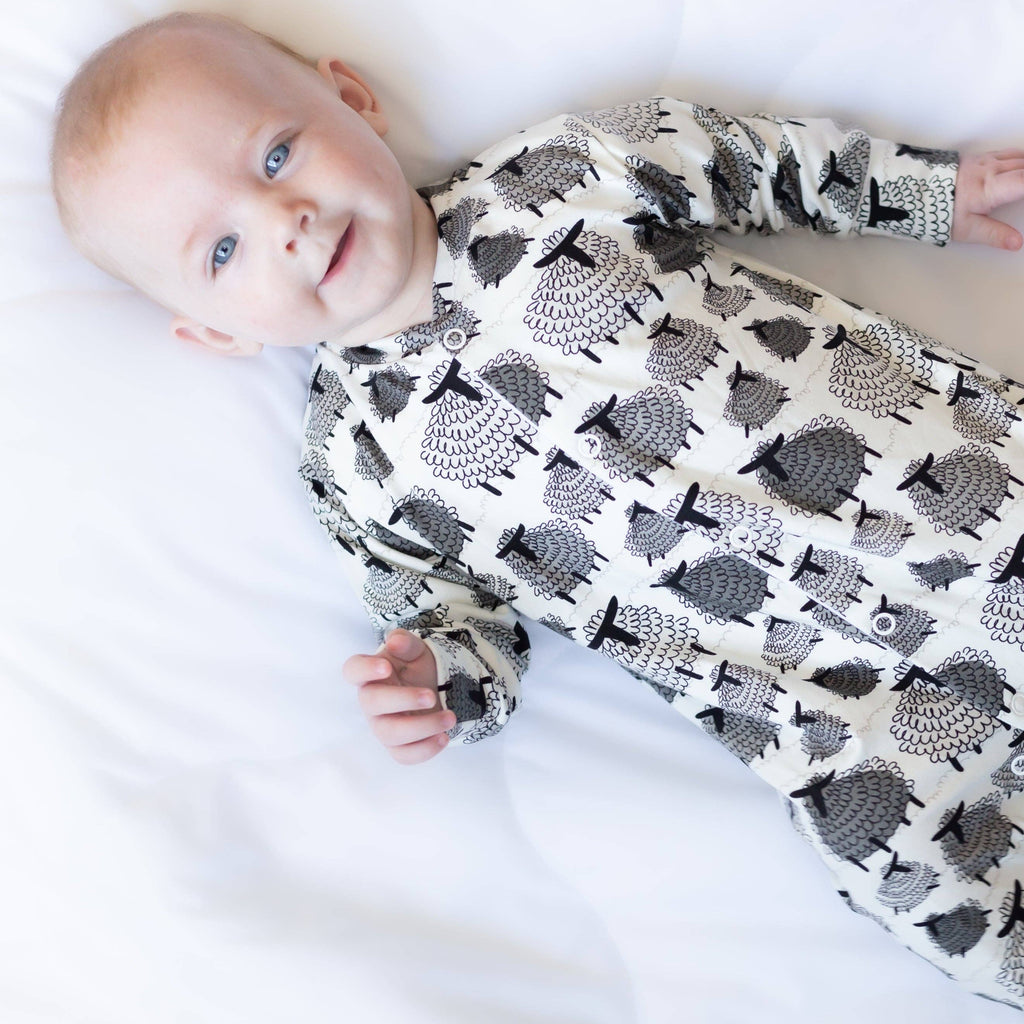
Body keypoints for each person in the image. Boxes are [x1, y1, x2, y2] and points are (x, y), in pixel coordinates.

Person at [49, 10, 1024, 1009]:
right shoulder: (359, 463)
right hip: (834, 705)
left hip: (962, 509)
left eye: (276, 153)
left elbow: (741, 160)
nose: (284, 219)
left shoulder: (554, 180)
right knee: (920, 881)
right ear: (215, 333)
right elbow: (460, 622)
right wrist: (435, 677)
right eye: (221, 251)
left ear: (350, 97)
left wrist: (916, 189)